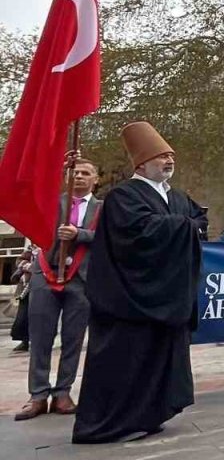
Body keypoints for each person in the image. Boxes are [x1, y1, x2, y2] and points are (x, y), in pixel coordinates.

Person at [73, 122, 206, 444]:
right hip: (131, 298)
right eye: (161, 156)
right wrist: (184, 226)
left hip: (167, 294)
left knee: (160, 359)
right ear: (142, 163)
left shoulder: (176, 196)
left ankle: (150, 414)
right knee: (126, 360)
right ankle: (112, 423)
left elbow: (199, 219)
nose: (168, 160)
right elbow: (140, 234)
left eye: (171, 155)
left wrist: (183, 225)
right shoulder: (123, 196)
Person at [15, 159, 99, 422]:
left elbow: (111, 236)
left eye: (86, 173)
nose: (80, 177)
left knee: (73, 340)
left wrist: (80, 234)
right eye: (74, 173)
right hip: (45, 275)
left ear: (96, 179)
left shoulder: (103, 209)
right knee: (40, 339)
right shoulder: (51, 202)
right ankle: (38, 395)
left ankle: (63, 392)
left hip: (81, 279)